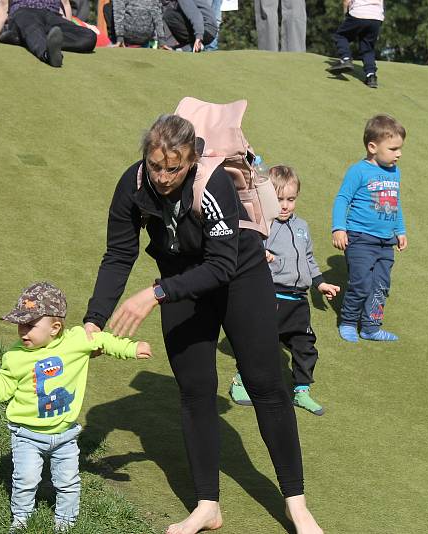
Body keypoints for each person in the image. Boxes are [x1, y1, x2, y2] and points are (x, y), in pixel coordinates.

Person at [84, 115, 323, 534]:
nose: (161, 177)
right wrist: (94, 320)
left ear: (191, 160)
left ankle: (297, 505)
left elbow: (220, 266)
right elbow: (119, 254)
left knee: (266, 383)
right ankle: (206, 506)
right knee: (195, 391)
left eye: (172, 168)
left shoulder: (213, 184)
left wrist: (155, 293)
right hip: (180, 278)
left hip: (237, 274)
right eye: (155, 165)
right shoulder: (133, 184)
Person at [0, 281, 151, 531]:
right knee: (26, 480)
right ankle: (21, 519)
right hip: (27, 435)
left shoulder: (76, 341)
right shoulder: (15, 356)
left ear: (55, 328)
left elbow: (104, 341)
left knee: (68, 481)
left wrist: (131, 348)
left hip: (65, 435)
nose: (23, 331)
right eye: (20, 323)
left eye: (30, 325)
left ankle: (66, 522)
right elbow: (1, 389)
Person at [228, 165, 340, 416]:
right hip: (271, 296)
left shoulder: (302, 227)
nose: (285, 205)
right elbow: (244, 248)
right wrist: (260, 253)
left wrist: (320, 282)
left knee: (305, 345)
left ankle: (301, 390)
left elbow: (308, 258)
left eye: (291, 199)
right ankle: (241, 381)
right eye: (279, 199)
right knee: (260, 345)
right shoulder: (262, 225)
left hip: (299, 302)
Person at [332, 114, 407, 343]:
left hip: (386, 242)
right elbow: (342, 198)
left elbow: (395, 203)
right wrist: (339, 228)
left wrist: (400, 230)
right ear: (372, 147)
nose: (399, 154)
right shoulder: (359, 171)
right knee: (361, 283)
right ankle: (347, 321)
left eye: (400, 148)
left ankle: (371, 327)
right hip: (360, 238)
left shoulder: (395, 172)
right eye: (393, 149)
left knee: (381, 286)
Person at [0, 0, 97, 67]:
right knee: (32, 26)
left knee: (89, 37)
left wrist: (67, 28)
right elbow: (3, 5)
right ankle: (47, 54)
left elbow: (65, 4)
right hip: (23, 12)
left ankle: (23, 40)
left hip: (52, 16)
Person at [327, 0, 384, 88]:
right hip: (376, 17)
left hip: (359, 13)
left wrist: (345, 14)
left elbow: (346, 1)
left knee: (340, 36)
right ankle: (371, 76)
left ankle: (346, 59)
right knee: (368, 48)